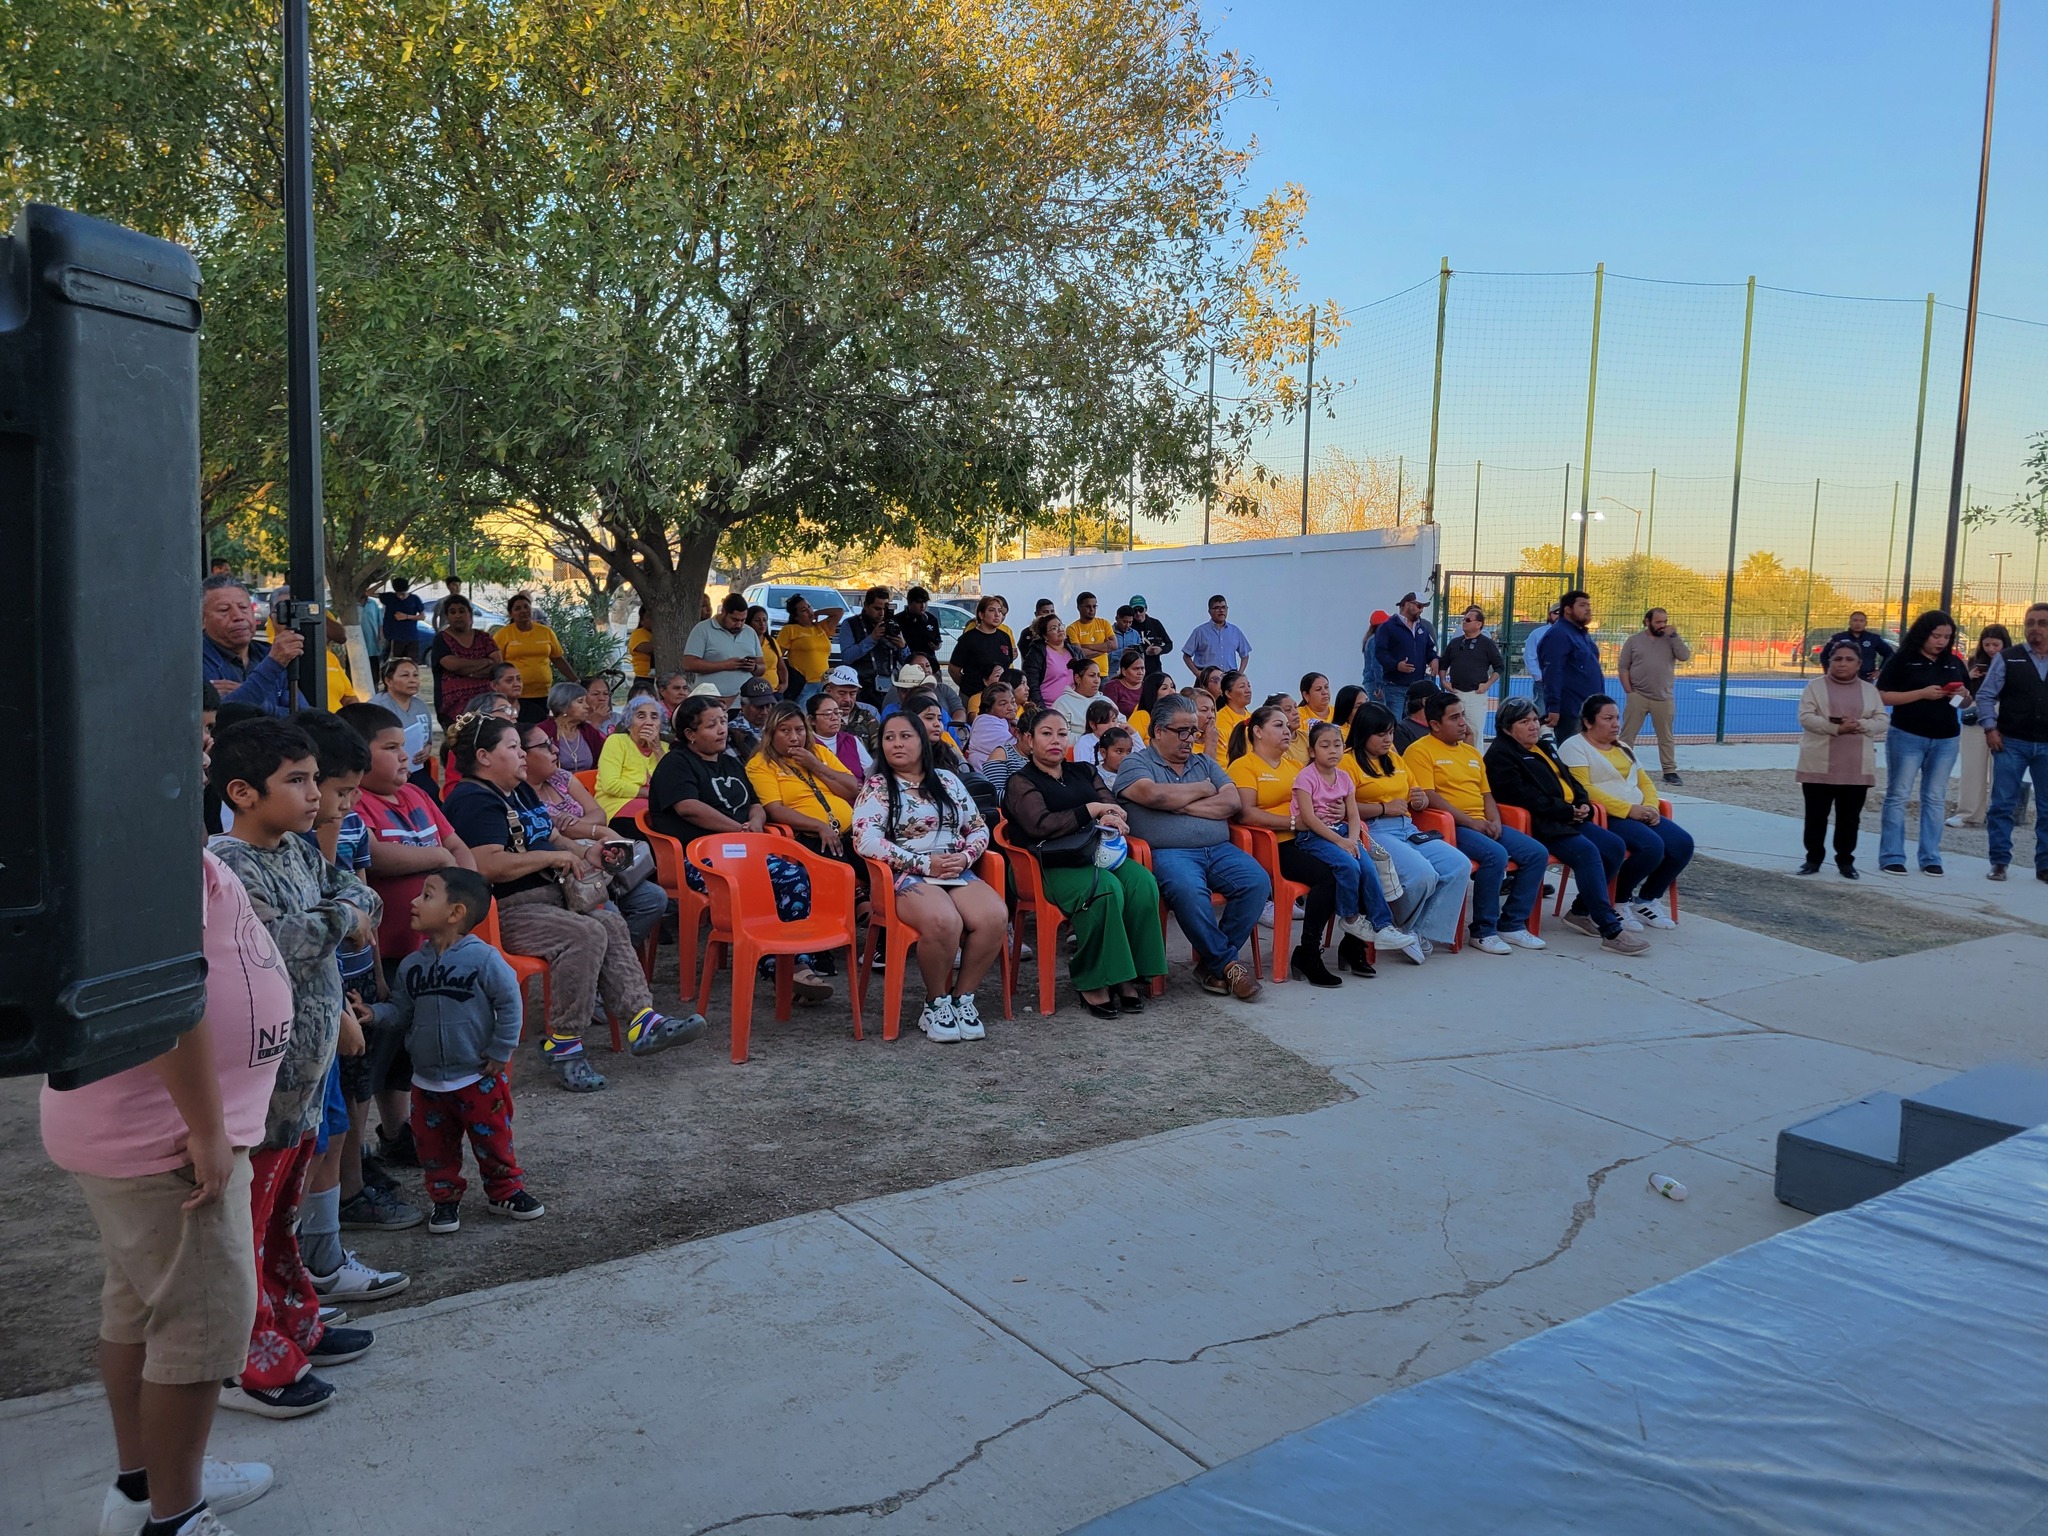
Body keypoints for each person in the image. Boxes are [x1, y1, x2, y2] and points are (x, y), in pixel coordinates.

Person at [43, 702, 284, 1536]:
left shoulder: (123, 831)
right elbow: (165, 1000)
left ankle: (145, 1487)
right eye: (193, 730)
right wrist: (209, 1132)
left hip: (133, 1130)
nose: (208, 741)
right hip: (166, 1139)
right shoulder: (141, 845)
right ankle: (176, 1517)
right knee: (197, 1328)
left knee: (140, 1313)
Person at [206, 719, 381, 1419]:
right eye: (298, 781)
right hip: (262, 1078)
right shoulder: (225, 864)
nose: (316, 795)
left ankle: (292, 1318)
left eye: (315, 780)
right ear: (243, 792)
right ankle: (245, 1355)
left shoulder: (299, 853)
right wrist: (339, 919)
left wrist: (337, 911)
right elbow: (271, 941)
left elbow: (362, 895)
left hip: (306, 1073)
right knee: (246, 1224)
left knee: (281, 1214)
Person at [443, 713, 703, 1091]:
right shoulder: (473, 800)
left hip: (548, 901)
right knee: (584, 934)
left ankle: (642, 1021)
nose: (522, 754)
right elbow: (486, 864)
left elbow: (553, 837)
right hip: (504, 912)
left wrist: (587, 852)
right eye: (513, 747)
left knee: (610, 922)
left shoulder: (518, 790)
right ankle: (563, 1043)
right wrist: (553, 858)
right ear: (484, 757)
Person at [368, 867, 542, 1236]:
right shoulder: (412, 965)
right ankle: (444, 1200)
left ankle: (504, 1192)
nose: (414, 901)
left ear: (455, 912)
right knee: (434, 1150)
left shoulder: (484, 959)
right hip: (427, 1082)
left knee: (494, 1139)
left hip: (478, 1075)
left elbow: (510, 1003)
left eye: (427, 895)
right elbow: (401, 1012)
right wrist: (373, 1014)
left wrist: (501, 1050)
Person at [650, 695, 835, 1002]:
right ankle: (785, 965)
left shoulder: (730, 762)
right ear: (690, 734)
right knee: (768, 881)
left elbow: (755, 804)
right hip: (697, 858)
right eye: (712, 725)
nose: (722, 730)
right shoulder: (676, 764)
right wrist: (738, 830)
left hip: (743, 851)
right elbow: (689, 808)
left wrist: (755, 824)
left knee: (797, 874)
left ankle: (793, 960)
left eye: (723, 722)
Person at [853, 712, 1006, 1040]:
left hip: (955, 869)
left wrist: (965, 857)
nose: (896, 744)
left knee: (994, 916)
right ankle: (935, 1002)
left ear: (922, 741)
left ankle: (962, 998)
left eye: (905, 736)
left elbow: (978, 827)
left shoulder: (947, 780)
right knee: (943, 921)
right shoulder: (878, 786)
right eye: (889, 738)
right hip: (905, 875)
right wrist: (924, 865)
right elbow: (865, 839)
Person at [1004, 708, 1167, 1014]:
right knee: (1104, 889)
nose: (1055, 740)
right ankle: (1095, 980)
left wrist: (1109, 814)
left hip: (1092, 853)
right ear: (1029, 739)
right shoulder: (1020, 781)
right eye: (1046, 733)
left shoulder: (1083, 771)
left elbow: (1110, 803)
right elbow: (1039, 825)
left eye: (1062, 734)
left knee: (1142, 883)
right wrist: (1091, 810)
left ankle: (1130, 974)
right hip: (1043, 865)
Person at [1113, 693, 1271, 999]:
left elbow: (1232, 801)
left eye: (1194, 732)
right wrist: (1202, 789)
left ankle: (1213, 964)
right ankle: (1228, 965)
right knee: (1189, 891)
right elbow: (1154, 795)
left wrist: (1180, 806)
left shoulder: (1204, 762)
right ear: (1159, 731)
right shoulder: (1136, 763)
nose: (1190, 739)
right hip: (1169, 852)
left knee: (1257, 882)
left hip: (1219, 849)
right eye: (1182, 731)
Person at [1486, 699, 1648, 955]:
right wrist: (1566, 810)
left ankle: (1581, 911)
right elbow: (1525, 798)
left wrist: (1582, 802)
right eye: (1524, 722)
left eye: (1535, 720)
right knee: (1587, 852)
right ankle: (1611, 930)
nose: (1533, 726)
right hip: (1542, 825)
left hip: (1569, 818)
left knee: (1614, 846)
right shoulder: (1500, 757)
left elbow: (1571, 780)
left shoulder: (1543, 747)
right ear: (1507, 728)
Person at [1402, 693, 1547, 955]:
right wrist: (1472, 822)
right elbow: (1430, 796)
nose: (1463, 723)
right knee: (1495, 855)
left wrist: (1494, 820)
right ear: (1435, 724)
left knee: (1536, 853)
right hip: (1449, 827)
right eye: (1454, 718)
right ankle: (1483, 931)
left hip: (1481, 823)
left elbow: (1486, 794)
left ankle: (1512, 924)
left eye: (1463, 715)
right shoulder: (1419, 751)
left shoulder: (1470, 752)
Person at [1342, 702, 1473, 955]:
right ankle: (1402, 928)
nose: (1388, 739)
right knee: (1422, 875)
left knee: (1458, 865)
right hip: (1373, 830)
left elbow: (1416, 795)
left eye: (1391, 733)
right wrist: (1383, 808)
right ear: (1364, 733)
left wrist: (1420, 800)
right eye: (1381, 734)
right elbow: (1342, 807)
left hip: (1407, 827)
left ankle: (1417, 931)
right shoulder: (1347, 762)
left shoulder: (1394, 758)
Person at [1224, 706, 1343, 985]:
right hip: (1273, 846)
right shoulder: (1244, 765)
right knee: (1327, 876)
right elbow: (1245, 814)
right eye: (1278, 725)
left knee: (1354, 864)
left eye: (1287, 726)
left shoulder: (1295, 767)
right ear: (1257, 731)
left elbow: (1318, 801)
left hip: (1305, 838)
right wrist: (1292, 823)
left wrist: (1337, 810)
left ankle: (1353, 944)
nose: (1287, 731)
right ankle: (1308, 953)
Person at [521, 721, 666, 944]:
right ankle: (614, 952)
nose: (555, 749)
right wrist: (597, 830)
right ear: (522, 755)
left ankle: (618, 951)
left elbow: (599, 813)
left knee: (655, 899)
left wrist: (580, 826)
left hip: (603, 863)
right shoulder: (520, 795)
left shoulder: (561, 777)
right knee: (610, 915)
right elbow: (558, 832)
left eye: (551, 743)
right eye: (544, 746)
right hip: (572, 875)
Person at [1558, 695, 1694, 927]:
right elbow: (1584, 789)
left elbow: (1644, 781)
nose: (1616, 724)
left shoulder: (1622, 747)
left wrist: (1650, 806)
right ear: (1588, 722)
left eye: (1617, 718)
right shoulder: (1574, 747)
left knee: (1682, 844)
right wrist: (1628, 810)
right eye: (1608, 719)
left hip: (1639, 811)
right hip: (1606, 816)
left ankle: (1647, 899)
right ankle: (1619, 900)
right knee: (1651, 846)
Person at [1291, 720, 1422, 959]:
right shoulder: (1305, 778)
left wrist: (1352, 840)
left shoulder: (1344, 778)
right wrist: (1340, 842)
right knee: (1348, 865)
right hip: (1313, 836)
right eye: (1325, 746)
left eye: (1337, 745)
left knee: (1367, 865)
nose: (1333, 751)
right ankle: (1350, 916)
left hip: (1341, 832)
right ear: (1311, 751)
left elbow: (1353, 815)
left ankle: (1383, 926)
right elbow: (1308, 819)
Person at [1875, 609, 1969, 876]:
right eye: (1936, 636)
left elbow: (1963, 704)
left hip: (1946, 738)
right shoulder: (1901, 660)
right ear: (1923, 634)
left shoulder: (1953, 662)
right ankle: (1892, 855)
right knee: (1898, 794)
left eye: (1946, 637)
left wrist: (1961, 695)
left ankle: (1930, 857)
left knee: (1935, 797)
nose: (1941, 641)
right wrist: (1921, 694)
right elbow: (1882, 695)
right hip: (1908, 735)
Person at [1795, 640, 1889, 877]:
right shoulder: (1814, 687)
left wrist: (1859, 724)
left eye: (1849, 659)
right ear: (1829, 662)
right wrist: (1836, 728)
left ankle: (1845, 862)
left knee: (1849, 819)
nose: (1842, 664)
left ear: (1859, 664)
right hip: (1818, 764)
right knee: (1816, 817)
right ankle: (1813, 859)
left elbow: (1882, 721)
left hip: (1855, 765)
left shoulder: (1870, 690)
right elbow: (1806, 717)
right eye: (1837, 659)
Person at [1978, 600, 2048, 884]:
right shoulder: (2008, 657)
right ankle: (1999, 862)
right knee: (2002, 805)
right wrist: (1990, 728)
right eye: (2030, 623)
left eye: (2042, 623)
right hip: (2011, 744)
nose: (2035, 628)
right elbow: (1985, 695)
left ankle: (2045, 865)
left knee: (2047, 808)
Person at [201, 574, 305, 717]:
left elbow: (303, 716)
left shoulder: (267, 653)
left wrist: (248, 697)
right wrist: (272, 665)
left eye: (243, 607)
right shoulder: (195, 662)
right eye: (224, 610)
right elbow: (217, 718)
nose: (238, 616)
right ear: (202, 619)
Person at [1616, 608, 1692, 784]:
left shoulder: (1671, 640)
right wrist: (1629, 691)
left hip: (1663, 697)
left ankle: (1669, 771)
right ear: (1647, 622)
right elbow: (1623, 666)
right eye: (1658, 622)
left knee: (1666, 737)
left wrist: (1674, 636)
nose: (1662, 625)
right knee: (1627, 735)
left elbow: (1684, 656)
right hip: (1638, 695)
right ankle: (1622, 768)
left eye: (1665, 622)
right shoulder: (1633, 641)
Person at [1950, 623, 2013, 829]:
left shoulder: (2013, 662)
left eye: (1996, 645)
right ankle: (1969, 813)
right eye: (1987, 645)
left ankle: (1998, 813)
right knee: (1971, 766)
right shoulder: (1973, 663)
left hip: (2003, 715)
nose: (1991, 649)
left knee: (2001, 769)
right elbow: (1957, 700)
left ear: (2004, 644)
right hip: (1975, 716)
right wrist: (1968, 679)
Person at [492, 591, 577, 724]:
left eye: (526, 607)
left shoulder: (545, 632)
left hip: (542, 693)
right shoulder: (503, 634)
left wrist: (576, 680)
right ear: (511, 613)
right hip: (515, 695)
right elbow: (496, 664)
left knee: (541, 727)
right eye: (517, 608)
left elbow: (558, 659)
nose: (523, 611)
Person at [1537, 590, 1605, 741]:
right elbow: (1552, 672)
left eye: (1589, 605)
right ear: (1568, 609)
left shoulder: (1582, 635)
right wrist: (1553, 707)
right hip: (1572, 711)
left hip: (1590, 708)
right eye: (1582, 605)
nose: (1588, 609)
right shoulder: (1558, 635)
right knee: (1572, 752)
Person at [428, 594, 503, 727]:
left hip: (487, 704)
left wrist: (468, 671)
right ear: (447, 617)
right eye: (452, 612)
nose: (457, 615)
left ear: (470, 614)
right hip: (453, 708)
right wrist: (486, 662)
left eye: (462, 611)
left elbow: (498, 665)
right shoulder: (441, 639)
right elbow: (454, 665)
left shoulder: (484, 637)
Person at [369, 656, 439, 798]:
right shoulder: (376, 708)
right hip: (386, 771)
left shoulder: (420, 706)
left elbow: (428, 741)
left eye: (415, 675)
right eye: (405, 675)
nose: (413, 680)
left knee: (433, 798)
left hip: (415, 769)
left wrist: (426, 750)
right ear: (388, 681)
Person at [594, 696, 668, 826]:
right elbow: (610, 785)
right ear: (629, 724)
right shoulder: (616, 741)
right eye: (641, 716)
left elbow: (674, 784)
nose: (649, 722)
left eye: (654, 717)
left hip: (654, 807)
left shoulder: (664, 748)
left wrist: (657, 750)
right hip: (617, 805)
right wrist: (649, 793)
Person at [684, 591, 766, 698]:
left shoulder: (750, 632)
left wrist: (754, 667)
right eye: (734, 620)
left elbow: (762, 667)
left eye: (743, 620)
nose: (739, 624)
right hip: (711, 701)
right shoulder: (702, 629)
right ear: (723, 612)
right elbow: (689, 664)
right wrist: (724, 665)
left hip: (744, 701)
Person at [1441, 607, 1505, 743]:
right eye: (1464, 619)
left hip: (1475, 694)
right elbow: (1443, 663)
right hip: (1455, 693)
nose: (1464, 622)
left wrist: (1487, 685)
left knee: (1475, 731)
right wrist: (1443, 681)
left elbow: (1499, 666)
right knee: (1454, 731)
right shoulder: (1455, 643)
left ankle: (1475, 756)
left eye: (1468, 620)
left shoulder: (1487, 644)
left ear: (1478, 624)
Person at [948, 594, 1020, 715]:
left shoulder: (1004, 637)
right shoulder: (968, 639)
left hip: (1000, 697)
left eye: (1000, 611)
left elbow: (1007, 664)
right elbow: (953, 669)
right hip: (973, 696)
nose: (997, 614)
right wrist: (967, 686)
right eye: (991, 610)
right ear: (981, 614)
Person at [838, 585, 908, 706]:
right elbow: (847, 657)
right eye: (877, 608)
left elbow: (908, 661)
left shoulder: (893, 625)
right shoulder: (851, 624)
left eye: (885, 608)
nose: (881, 613)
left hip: (891, 686)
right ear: (866, 606)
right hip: (862, 687)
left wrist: (903, 647)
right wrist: (871, 639)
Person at [776, 593, 845, 702]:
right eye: (804, 610)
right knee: (802, 711)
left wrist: (817, 613)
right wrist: (784, 679)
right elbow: (777, 656)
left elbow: (839, 612)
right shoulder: (790, 630)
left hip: (825, 682)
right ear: (796, 616)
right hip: (804, 684)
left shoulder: (820, 627)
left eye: (809, 607)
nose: (809, 611)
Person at [1375, 590, 1439, 693]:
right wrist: (1396, 665)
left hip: (1417, 687)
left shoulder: (1422, 628)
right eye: (1419, 606)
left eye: (1423, 607)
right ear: (1407, 604)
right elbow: (1380, 652)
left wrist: (1434, 659)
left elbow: (1429, 649)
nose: (1421, 610)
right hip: (1395, 686)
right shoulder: (1388, 627)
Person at [537, 681, 606, 775]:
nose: (587, 706)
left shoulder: (589, 731)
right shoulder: (542, 731)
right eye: (580, 701)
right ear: (563, 706)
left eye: (586, 702)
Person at [807, 689, 872, 778]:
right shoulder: (807, 745)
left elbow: (871, 772)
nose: (834, 718)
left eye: (837, 713)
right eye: (827, 714)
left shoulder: (851, 740)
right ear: (811, 720)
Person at [1183, 594, 1251, 674]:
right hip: (1207, 676)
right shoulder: (1200, 632)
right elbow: (1186, 655)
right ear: (1210, 611)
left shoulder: (1235, 631)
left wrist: (1240, 673)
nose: (1221, 610)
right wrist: (1197, 673)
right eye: (1217, 608)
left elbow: (1245, 655)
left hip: (1229, 676)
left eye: (1224, 607)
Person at [1022, 612, 1076, 708]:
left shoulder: (1075, 652)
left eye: (1060, 625)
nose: (1060, 629)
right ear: (1045, 636)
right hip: (1049, 708)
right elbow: (1032, 686)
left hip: (1074, 707)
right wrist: (1043, 711)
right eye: (1054, 628)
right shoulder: (1036, 654)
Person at [1827, 610, 1896, 682]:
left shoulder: (1873, 638)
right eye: (1855, 620)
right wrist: (1828, 671)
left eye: (1861, 621)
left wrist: (1880, 671)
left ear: (1865, 623)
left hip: (1866, 678)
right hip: (1842, 678)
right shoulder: (1838, 637)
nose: (1858, 623)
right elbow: (1825, 655)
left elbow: (1890, 654)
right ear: (1850, 622)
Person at [967, 682, 1019, 769]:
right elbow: (1017, 748)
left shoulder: (1011, 721)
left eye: (1013, 702)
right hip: (987, 776)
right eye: (1003, 704)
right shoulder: (984, 723)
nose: (1011, 707)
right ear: (989, 709)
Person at [1524, 601, 1561, 722]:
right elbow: (1529, 656)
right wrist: (1539, 676)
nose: (1559, 616)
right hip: (1544, 683)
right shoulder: (1537, 634)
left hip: (1566, 683)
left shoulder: (1574, 633)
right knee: (1540, 715)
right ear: (1550, 615)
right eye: (1556, 612)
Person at [1056, 657, 1112, 734]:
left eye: (1098, 676)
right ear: (1078, 678)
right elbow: (1061, 734)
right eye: (1092, 675)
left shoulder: (1106, 701)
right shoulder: (1062, 703)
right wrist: (1091, 739)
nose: (1097, 680)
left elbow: (1121, 723)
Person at [1127, 669, 1180, 746]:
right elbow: (1131, 745)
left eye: (1172, 687)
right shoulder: (1141, 715)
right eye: (1164, 688)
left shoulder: (1177, 716)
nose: (1172, 691)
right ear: (1153, 693)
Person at [380, 576, 426, 662]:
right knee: (395, 662)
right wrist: (382, 582)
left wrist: (406, 616)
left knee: (411, 662)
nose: (401, 597)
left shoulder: (414, 599)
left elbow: (422, 616)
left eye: (403, 594)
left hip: (411, 636)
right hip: (394, 637)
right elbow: (368, 593)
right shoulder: (389, 597)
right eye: (399, 594)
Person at [1125, 595, 1173, 675]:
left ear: (1146, 609)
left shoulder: (1155, 624)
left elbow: (1169, 644)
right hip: (1134, 671)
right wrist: (1144, 652)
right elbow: (1125, 649)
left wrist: (1160, 649)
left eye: (1140, 610)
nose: (1138, 613)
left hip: (1154, 669)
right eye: (1134, 611)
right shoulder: (1128, 626)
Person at [1066, 591, 1115, 664]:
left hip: (1104, 670)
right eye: (1088, 606)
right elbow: (1079, 653)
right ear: (1079, 607)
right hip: (1085, 670)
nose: (1092, 609)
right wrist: (1104, 649)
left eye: (1094, 606)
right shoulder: (1072, 628)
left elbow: (1114, 645)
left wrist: (1087, 646)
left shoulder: (1104, 623)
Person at [746, 605, 786, 695]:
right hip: (754, 692)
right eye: (757, 620)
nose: (762, 624)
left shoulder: (772, 641)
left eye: (764, 620)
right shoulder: (744, 643)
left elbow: (781, 667)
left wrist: (784, 683)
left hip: (775, 690)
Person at [897, 587, 943, 663]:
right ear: (909, 602)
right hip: (907, 662)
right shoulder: (898, 620)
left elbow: (938, 640)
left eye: (925, 602)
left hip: (928, 661)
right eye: (919, 602)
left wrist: (937, 646)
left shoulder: (932, 619)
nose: (923, 606)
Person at [1215, 669, 1255, 752]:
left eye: (1249, 686)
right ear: (1228, 693)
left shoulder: (1253, 717)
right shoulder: (1220, 718)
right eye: (1242, 687)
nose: (1248, 690)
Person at [1073, 698, 1121, 766]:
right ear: (1092, 724)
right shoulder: (1084, 742)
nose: (1111, 725)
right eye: (1105, 722)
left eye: (1113, 720)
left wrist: (1133, 734)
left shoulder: (1119, 738)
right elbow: (1082, 769)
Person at [1392, 680, 1436, 754]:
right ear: (1425, 701)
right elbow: (1406, 757)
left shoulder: (1440, 726)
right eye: (1438, 699)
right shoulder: (1401, 730)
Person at [1360, 609, 1389, 707]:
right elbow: (1377, 664)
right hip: (1375, 682)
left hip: (1372, 681)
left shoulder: (1371, 639)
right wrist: (1380, 686)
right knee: (1379, 711)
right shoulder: (1375, 641)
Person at [626, 606, 655, 682]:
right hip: (644, 678)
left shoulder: (653, 634)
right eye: (649, 617)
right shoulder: (638, 633)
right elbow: (646, 648)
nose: (653, 619)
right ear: (642, 621)